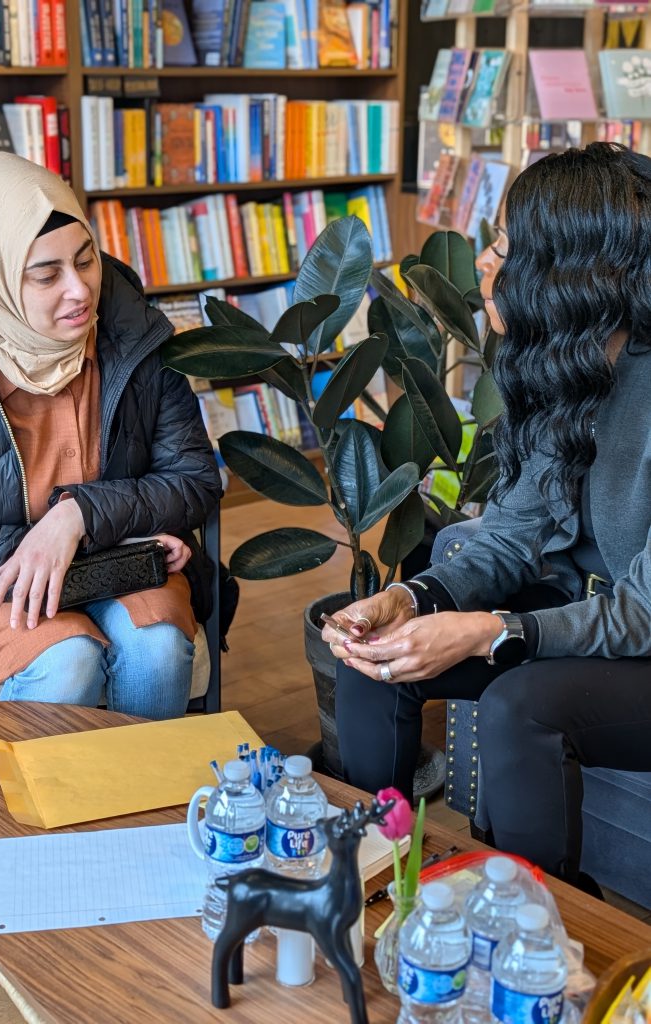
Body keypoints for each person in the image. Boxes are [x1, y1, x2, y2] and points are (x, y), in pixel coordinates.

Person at [322, 142, 651, 888]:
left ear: (565, 270)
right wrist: (411, 598)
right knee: (378, 659)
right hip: (577, 620)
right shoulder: (562, 362)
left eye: (504, 246)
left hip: (642, 638)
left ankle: (533, 935)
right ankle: (373, 874)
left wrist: (498, 630)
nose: (486, 265)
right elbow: (509, 534)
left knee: (520, 706)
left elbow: (645, 612)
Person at [0, 151, 222, 728]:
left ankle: (136, 813)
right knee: (70, 662)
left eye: (86, 260)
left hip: (119, 563)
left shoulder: (134, 336)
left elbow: (192, 481)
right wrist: (83, 539)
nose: (80, 291)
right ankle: (36, 817)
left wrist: (76, 520)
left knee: (159, 651)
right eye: (46, 274)